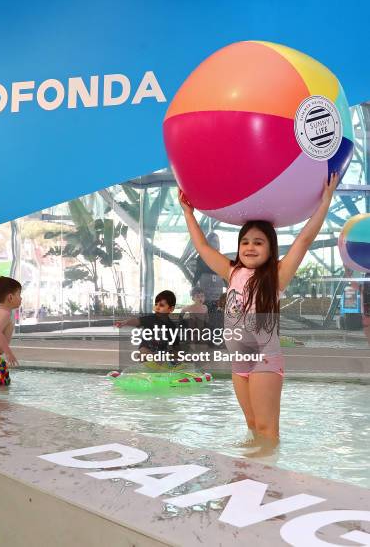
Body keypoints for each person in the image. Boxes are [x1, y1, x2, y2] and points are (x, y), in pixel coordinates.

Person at [179, 173, 339, 451]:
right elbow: (203, 247)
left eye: (258, 242)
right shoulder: (233, 272)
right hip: (239, 362)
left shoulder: (276, 276)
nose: (250, 247)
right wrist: (187, 212)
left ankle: (270, 484)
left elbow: (303, 241)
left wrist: (325, 201)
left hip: (263, 361)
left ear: (270, 248)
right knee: (253, 425)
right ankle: (253, 477)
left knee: (267, 429)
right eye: (245, 242)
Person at [115, 290, 177, 360]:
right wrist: (125, 322)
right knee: (144, 352)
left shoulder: (171, 326)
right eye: (156, 304)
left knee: (169, 356)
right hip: (146, 349)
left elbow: (175, 345)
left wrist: (175, 354)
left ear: (171, 309)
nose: (157, 308)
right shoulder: (151, 318)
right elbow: (137, 321)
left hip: (160, 354)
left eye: (161, 305)